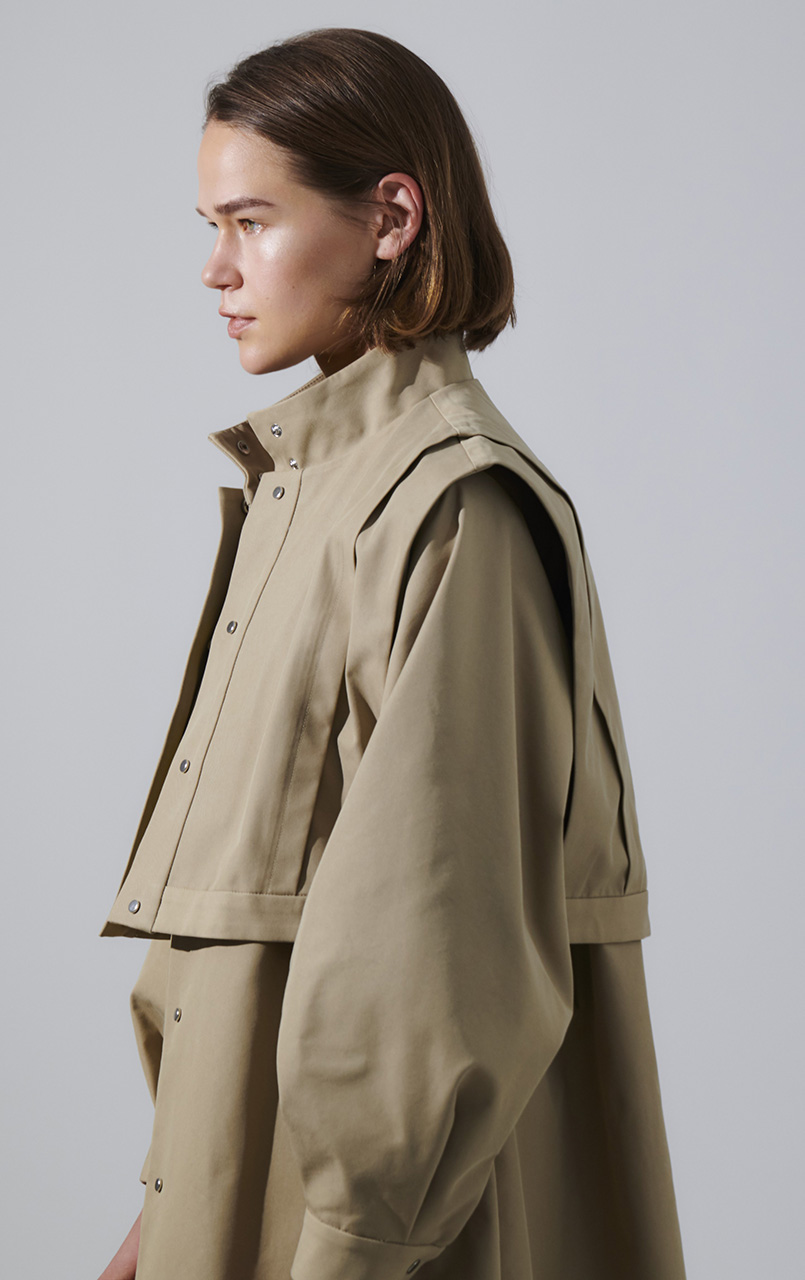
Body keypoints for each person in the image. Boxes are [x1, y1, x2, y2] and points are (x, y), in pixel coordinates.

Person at [96, 27, 686, 1280]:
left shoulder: (450, 507)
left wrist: (348, 1251)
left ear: (392, 217)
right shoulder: (306, 491)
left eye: (252, 220)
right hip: (243, 1201)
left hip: (365, 1242)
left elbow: (437, 969)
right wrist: (170, 1208)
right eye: (211, 224)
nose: (215, 267)